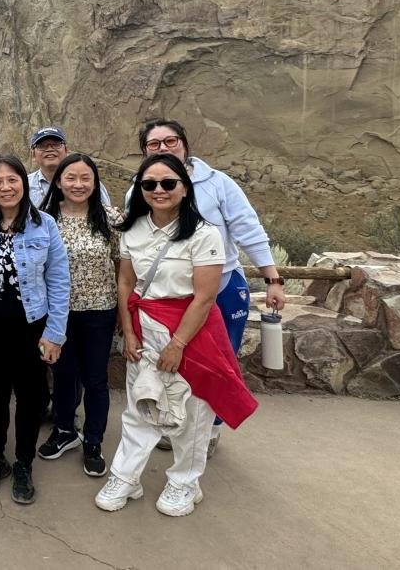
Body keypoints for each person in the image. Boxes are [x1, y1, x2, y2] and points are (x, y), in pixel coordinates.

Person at [95, 154, 257, 517]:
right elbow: (125, 282)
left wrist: (178, 344)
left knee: (192, 410)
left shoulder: (204, 234)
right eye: (149, 184)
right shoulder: (132, 229)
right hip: (145, 328)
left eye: (169, 183)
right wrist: (129, 333)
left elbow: (205, 296)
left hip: (191, 332)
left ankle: (185, 482)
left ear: (184, 188)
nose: (158, 190)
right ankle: (126, 476)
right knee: (141, 405)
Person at [137, 118, 285, 453]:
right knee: (173, 357)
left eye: (170, 140)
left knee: (220, 360)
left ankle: (211, 428)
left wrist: (272, 279)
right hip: (169, 296)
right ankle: (172, 418)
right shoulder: (142, 185)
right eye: (154, 144)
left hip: (221, 290)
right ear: (144, 150)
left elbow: (249, 230)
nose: (163, 147)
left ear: (184, 144)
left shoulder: (218, 183)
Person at [0, 156, 70, 504]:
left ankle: (23, 462)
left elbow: (59, 279)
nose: (6, 187)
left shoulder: (44, 224)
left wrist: (55, 333)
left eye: (12, 180)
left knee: (30, 396)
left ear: (23, 183)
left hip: (32, 324)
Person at [37, 153, 122, 477]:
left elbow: (119, 265)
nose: (78, 184)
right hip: (57, 313)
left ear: (95, 182)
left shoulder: (109, 220)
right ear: (58, 182)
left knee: (96, 379)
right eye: (70, 178)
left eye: (86, 178)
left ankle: (94, 439)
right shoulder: (44, 219)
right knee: (62, 374)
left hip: (99, 311)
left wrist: (120, 311)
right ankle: (64, 430)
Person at [28, 126, 111, 208]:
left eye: (56, 144)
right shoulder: (24, 184)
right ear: (33, 155)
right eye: (42, 146)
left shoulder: (88, 184)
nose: (49, 149)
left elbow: (105, 214)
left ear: (66, 150)